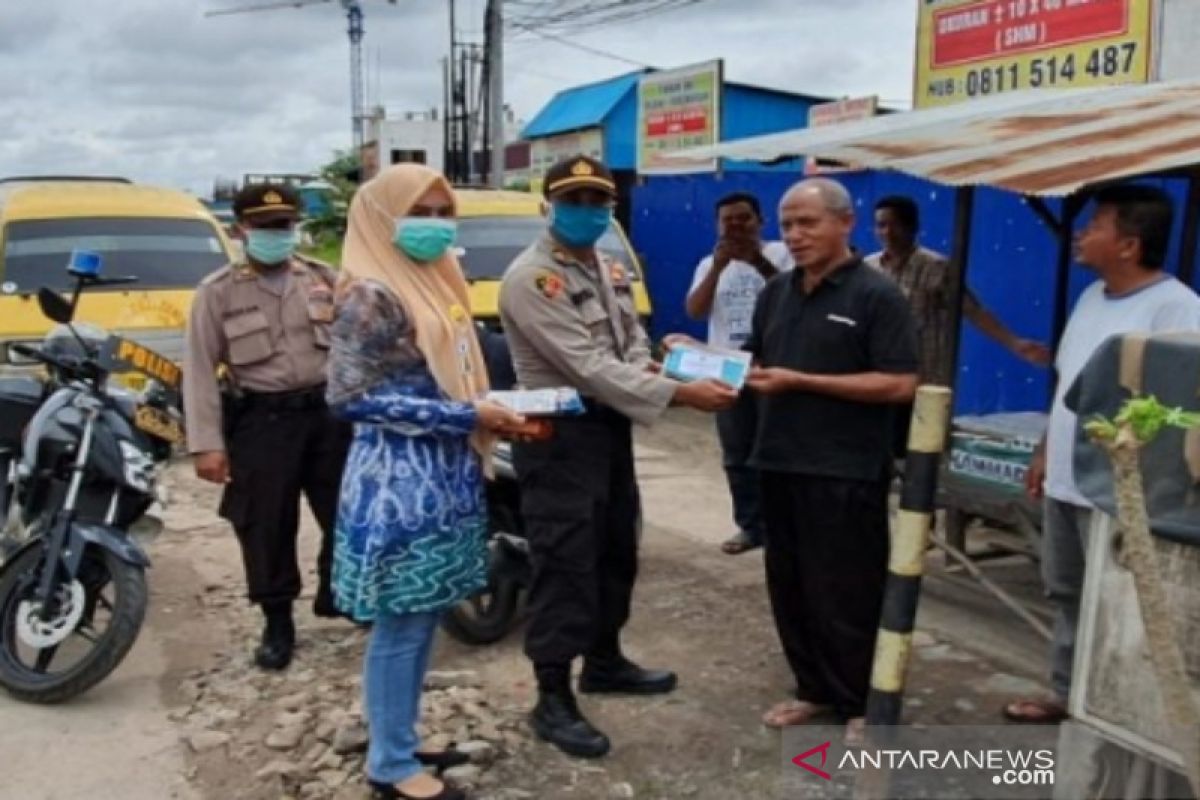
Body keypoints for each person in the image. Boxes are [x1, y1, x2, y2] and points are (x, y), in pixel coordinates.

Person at [499, 155, 737, 759]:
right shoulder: (533, 279)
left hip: (607, 430)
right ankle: (551, 696)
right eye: (574, 200)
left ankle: (603, 662)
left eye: (598, 202)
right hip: (556, 434)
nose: (588, 212)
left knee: (613, 552)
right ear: (547, 205)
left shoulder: (606, 268)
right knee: (564, 559)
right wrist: (680, 393)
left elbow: (626, 342)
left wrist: (662, 366)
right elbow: (586, 365)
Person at [326, 164, 524, 800]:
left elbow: (461, 368)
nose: (436, 225)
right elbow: (349, 398)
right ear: (383, 218)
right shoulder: (370, 293)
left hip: (446, 476)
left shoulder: (437, 282)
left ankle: (401, 741)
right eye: (421, 211)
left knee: (426, 617)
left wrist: (487, 414)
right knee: (402, 624)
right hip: (398, 486)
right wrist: (467, 415)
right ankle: (388, 766)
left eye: (445, 212)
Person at [1004, 184, 1200, 725]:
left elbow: (1180, 415)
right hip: (1068, 479)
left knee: (1124, 602)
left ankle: (1124, 710)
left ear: (1129, 245)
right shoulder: (1092, 298)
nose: (1081, 234)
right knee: (1066, 593)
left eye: (1095, 226)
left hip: (1122, 494)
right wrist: (1046, 450)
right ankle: (1069, 696)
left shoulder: (1177, 309)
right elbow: (1070, 384)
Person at [745, 178, 919, 745]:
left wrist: (802, 381)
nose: (793, 236)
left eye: (807, 223)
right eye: (787, 224)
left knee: (846, 590)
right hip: (778, 460)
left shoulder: (877, 295)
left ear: (846, 223)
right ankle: (813, 690)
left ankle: (863, 703)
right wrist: (695, 362)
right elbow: (756, 364)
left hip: (845, 469)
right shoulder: (776, 293)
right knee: (790, 585)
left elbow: (899, 383)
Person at [183, 182, 351, 672]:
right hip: (262, 419)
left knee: (347, 513)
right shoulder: (218, 293)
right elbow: (198, 370)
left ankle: (334, 591)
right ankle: (278, 621)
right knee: (265, 524)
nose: (278, 235)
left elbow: (355, 348)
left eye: (285, 225)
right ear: (242, 230)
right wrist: (207, 445)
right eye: (266, 227)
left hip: (326, 415)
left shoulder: (324, 279)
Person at [867, 195, 1051, 455]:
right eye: (880, 225)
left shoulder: (937, 267)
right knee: (876, 449)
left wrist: (1014, 342)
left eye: (893, 225)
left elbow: (973, 310)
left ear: (913, 227)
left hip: (925, 381)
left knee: (919, 454)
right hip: (879, 377)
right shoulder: (870, 268)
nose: (886, 232)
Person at [685, 192, 792, 555]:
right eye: (727, 220)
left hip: (773, 367)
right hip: (727, 370)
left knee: (777, 451)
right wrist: (718, 268)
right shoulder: (708, 264)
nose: (735, 226)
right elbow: (696, 311)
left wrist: (757, 262)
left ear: (760, 221)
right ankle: (750, 526)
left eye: (743, 218)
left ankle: (781, 526)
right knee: (736, 454)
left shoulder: (781, 254)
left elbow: (794, 298)